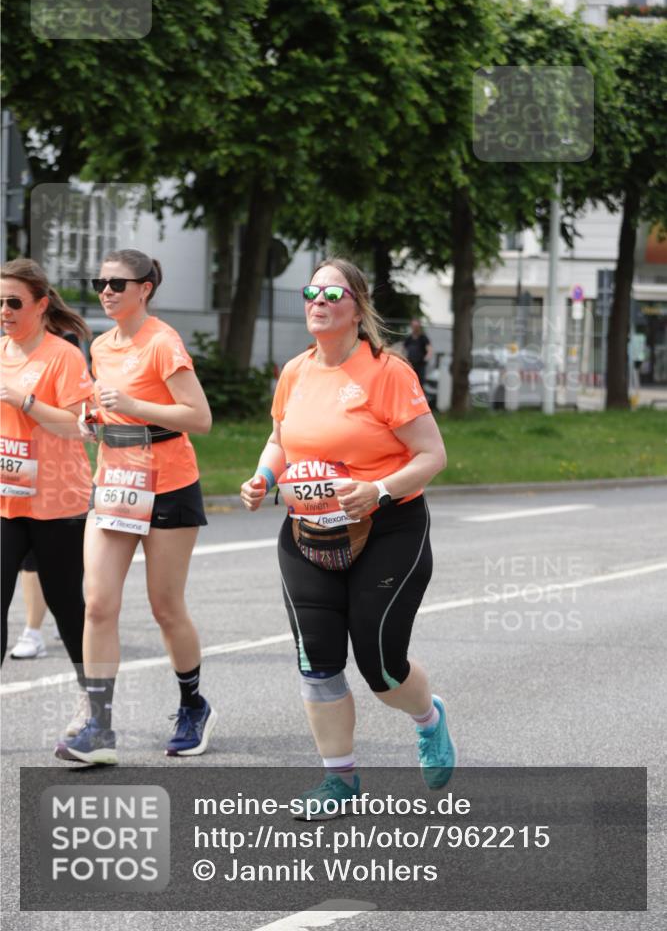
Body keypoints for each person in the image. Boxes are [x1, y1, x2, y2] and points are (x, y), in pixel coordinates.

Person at [240, 258, 454, 816]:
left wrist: (379, 489)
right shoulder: (296, 372)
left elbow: (432, 455)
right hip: (308, 529)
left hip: (388, 527)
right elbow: (280, 440)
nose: (318, 300)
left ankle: (427, 716)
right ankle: (340, 781)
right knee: (317, 659)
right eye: (311, 292)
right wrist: (263, 476)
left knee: (381, 665)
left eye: (332, 293)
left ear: (357, 308)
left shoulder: (387, 373)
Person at [55, 248, 215, 766]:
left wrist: (133, 406)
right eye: (100, 282)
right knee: (98, 603)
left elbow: (199, 417)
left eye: (117, 284)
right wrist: (92, 423)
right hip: (116, 481)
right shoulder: (100, 346)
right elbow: (106, 409)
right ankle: (99, 726)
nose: (106, 291)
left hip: (167, 484)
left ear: (145, 288)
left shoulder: (162, 343)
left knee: (166, 608)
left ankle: (194, 705)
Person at [1, 257, 93, 735]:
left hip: (58, 501)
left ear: (40, 304)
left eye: (13, 302)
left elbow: (80, 427)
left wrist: (25, 401)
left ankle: (91, 699)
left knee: (66, 605)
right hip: (7, 499)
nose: (4, 311)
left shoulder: (64, 356)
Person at [403, 318, 432, 388]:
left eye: (416, 326)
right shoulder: (409, 338)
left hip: (420, 366)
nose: (414, 328)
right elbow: (403, 349)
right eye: (413, 326)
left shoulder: (423, 338)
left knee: (420, 384)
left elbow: (429, 350)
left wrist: (426, 358)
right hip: (410, 365)